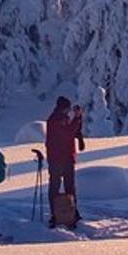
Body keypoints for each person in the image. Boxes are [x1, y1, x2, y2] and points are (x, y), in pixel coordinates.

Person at [44, 97, 85, 228]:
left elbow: (73, 132)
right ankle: (57, 214)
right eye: (68, 108)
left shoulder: (60, 118)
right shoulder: (56, 120)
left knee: (66, 187)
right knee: (61, 187)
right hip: (60, 159)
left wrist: (78, 121)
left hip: (62, 158)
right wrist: (77, 118)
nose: (69, 110)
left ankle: (70, 212)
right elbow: (68, 133)